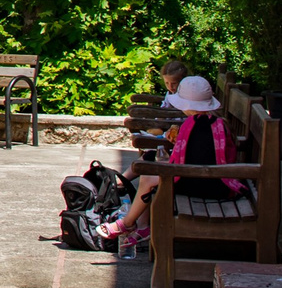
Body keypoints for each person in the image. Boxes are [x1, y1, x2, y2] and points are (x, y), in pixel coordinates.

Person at [101, 75, 239, 248]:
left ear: (186, 105)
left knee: (148, 179)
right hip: (217, 180)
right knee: (150, 172)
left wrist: (165, 163)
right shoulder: (218, 123)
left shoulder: (191, 124)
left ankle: (127, 223)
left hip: (208, 185)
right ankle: (140, 226)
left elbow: (188, 164)